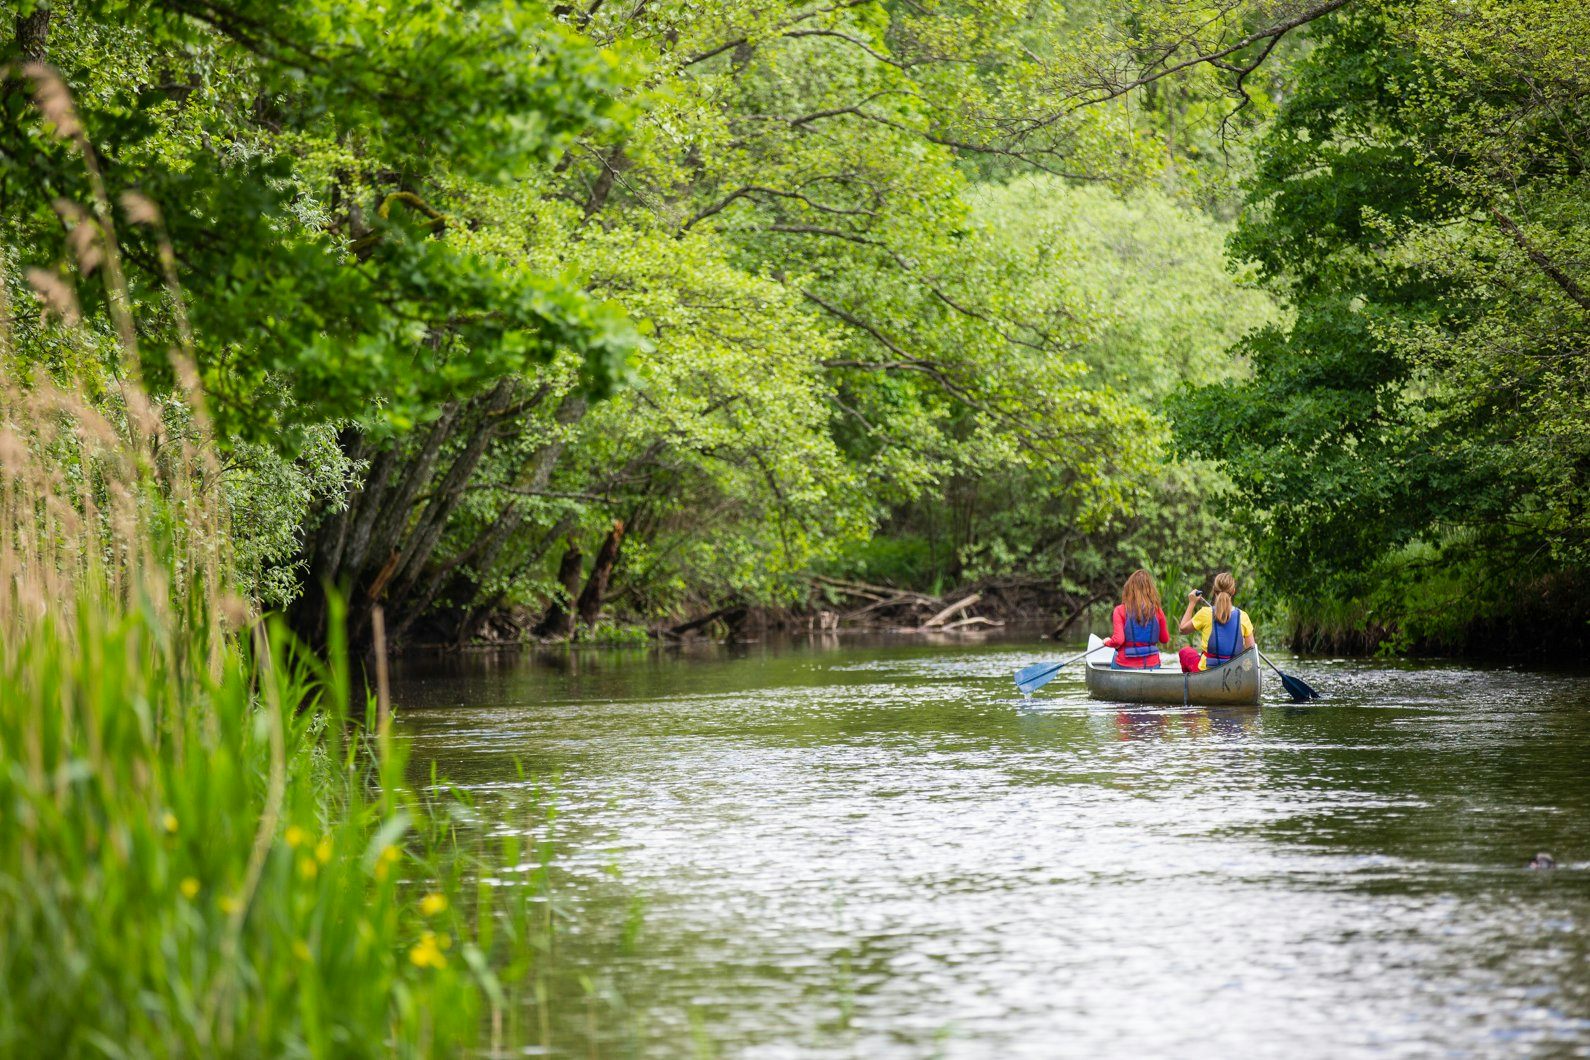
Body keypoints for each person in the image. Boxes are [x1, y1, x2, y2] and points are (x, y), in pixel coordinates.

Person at [1177, 571, 1255, 673]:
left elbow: (1182, 629)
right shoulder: (1243, 616)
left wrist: (1192, 603)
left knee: (1185, 651)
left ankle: (1190, 685)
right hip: (1234, 672)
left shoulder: (1205, 613)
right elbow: (1251, 652)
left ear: (1214, 590)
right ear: (1233, 591)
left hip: (1206, 671)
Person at [1102, 569, 1170, 669]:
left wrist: (1107, 642)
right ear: (1151, 590)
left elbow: (1118, 641)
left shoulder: (1120, 610)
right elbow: (1164, 639)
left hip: (1125, 664)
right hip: (1152, 665)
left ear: (1129, 589)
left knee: (1115, 654)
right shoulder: (1158, 611)